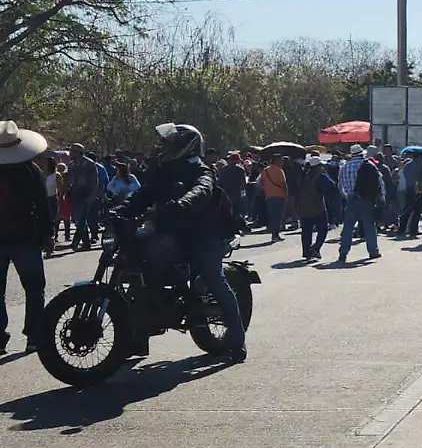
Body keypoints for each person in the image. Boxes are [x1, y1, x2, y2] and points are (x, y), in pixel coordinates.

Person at [116, 123, 246, 362]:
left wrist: (182, 205)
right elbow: (145, 194)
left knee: (212, 277)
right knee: (138, 266)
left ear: (183, 147)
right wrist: (121, 209)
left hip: (204, 233)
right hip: (172, 230)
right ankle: (137, 337)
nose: (162, 146)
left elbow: (201, 191)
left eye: (168, 143)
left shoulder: (201, 170)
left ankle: (237, 341)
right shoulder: (162, 169)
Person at [0, 121, 52, 354]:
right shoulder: (31, 171)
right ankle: (34, 335)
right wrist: (48, 235)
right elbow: (43, 207)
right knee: (34, 287)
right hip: (25, 238)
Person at [336, 144, 384, 262]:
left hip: (351, 199)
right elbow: (379, 182)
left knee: (348, 227)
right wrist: (382, 197)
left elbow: (340, 186)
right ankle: (373, 251)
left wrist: (347, 197)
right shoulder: (369, 165)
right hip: (366, 199)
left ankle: (343, 253)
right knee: (369, 226)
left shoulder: (345, 167)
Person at [298, 156, 337, 260]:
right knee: (323, 229)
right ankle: (316, 247)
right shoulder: (320, 176)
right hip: (317, 206)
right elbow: (331, 185)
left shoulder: (304, 175)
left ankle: (306, 251)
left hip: (304, 206)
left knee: (306, 230)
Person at [66, 143, 98, 251]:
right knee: (79, 220)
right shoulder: (71, 166)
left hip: (86, 195)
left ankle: (75, 243)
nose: (70, 153)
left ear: (78, 152)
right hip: (76, 196)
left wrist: (92, 196)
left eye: (72, 151)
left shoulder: (89, 164)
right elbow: (70, 181)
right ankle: (86, 243)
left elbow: (95, 182)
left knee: (81, 219)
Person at [260, 154, 289, 242]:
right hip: (279, 195)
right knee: (278, 216)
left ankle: (274, 234)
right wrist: (286, 194)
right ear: (276, 161)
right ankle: (275, 235)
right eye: (281, 160)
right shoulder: (279, 170)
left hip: (269, 196)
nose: (282, 162)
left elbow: (261, 182)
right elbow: (283, 184)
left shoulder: (265, 170)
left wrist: (267, 189)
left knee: (272, 216)